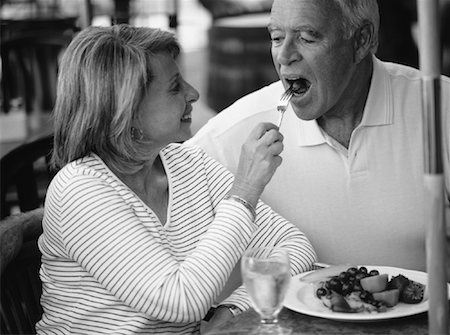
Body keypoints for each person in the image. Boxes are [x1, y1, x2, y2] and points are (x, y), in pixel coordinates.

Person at [36, 25, 317, 334]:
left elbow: (295, 247)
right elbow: (181, 302)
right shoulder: (79, 190)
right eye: (174, 87)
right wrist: (245, 190)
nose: (193, 93)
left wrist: (233, 308)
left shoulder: (188, 163)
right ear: (126, 109)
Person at [188, 0, 450, 272]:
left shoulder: (440, 110)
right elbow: (156, 202)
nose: (285, 55)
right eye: (277, 37)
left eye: (306, 38)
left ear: (362, 40)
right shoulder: (237, 132)